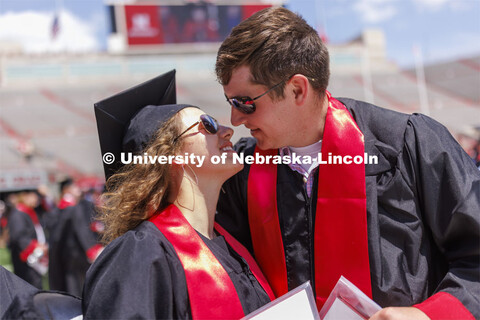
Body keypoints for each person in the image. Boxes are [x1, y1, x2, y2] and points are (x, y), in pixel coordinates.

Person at [214, 7, 479, 320]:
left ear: (297, 89)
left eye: (245, 102)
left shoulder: (407, 144)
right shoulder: (242, 170)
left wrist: (430, 314)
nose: (235, 119)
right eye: (230, 102)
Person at [82, 71, 274, 319]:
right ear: (171, 154)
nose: (227, 130)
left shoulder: (234, 246)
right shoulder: (142, 253)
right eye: (209, 124)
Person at [7, 189, 48, 289]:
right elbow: (18, 236)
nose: (36, 199)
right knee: (29, 288)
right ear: (24, 196)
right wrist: (36, 245)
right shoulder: (18, 214)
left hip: (34, 257)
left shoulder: (29, 212)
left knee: (36, 286)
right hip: (24, 258)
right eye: (33, 196)